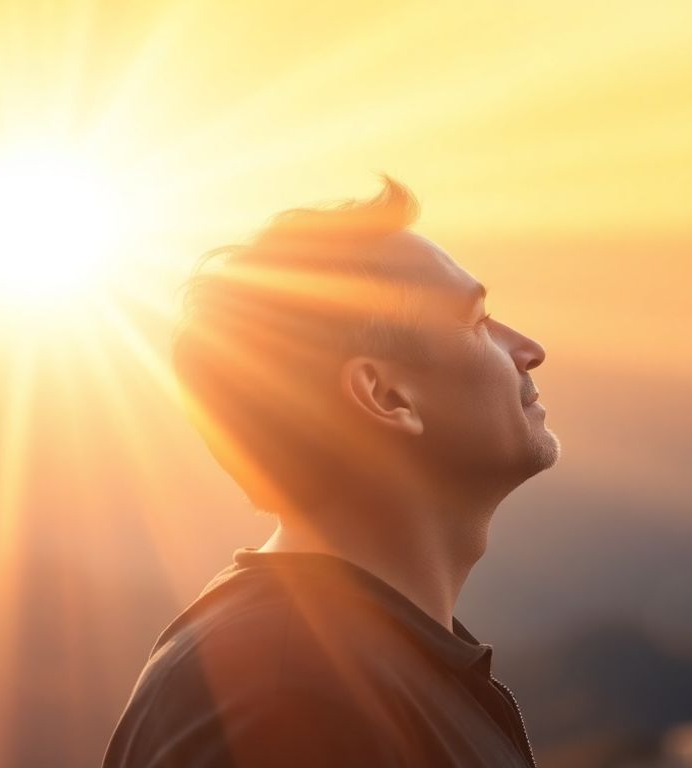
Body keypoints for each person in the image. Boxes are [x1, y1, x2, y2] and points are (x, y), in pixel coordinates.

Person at [103, 177, 557, 767]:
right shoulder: (290, 693)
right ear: (387, 396)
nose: (529, 348)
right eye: (477, 321)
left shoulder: (333, 665)